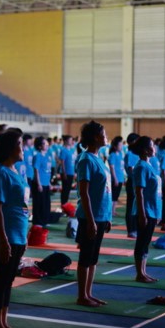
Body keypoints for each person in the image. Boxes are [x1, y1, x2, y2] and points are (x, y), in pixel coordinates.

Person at [0, 129, 28, 328]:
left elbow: (21, 206)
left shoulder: (14, 172)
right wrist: (3, 240)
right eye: (20, 144)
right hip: (5, 236)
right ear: (10, 148)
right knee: (2, 279)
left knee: (8, 280)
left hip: (17, 234)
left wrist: (23, 237)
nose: (23, 148)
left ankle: (4, 322)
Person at [75, 121, 111, 307]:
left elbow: (105, 189)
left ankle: (89, 293)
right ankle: (82, 295)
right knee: (86, 256)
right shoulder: (86, 160)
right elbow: (84, 193)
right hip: (90, 217)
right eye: (104, 134)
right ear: (96, 137)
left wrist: (107, 216)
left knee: (94, 258)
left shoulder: (99, 158)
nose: (106, 137)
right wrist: (90, 220)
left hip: (101, 215)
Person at [131, 136, 161, 283]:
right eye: (151, 146)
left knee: (146, 242)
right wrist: (142, 214)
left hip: (152, 210)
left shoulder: (149, 165)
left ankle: (143, 271)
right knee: (141, 242)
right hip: (145, 211)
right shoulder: (141, 167)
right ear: (144, 150)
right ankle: (139, 273)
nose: (153, 149)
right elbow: (139, 192)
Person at [32, 136, 51, 227]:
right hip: (40, 183)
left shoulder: (48, 156)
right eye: (44, 143)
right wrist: (38, 183)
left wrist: (49, 183)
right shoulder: (37, 156)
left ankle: (45, 220)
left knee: (46, 203)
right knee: (39, 203)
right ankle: (38, 221)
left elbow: (47, 171)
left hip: (46, 183)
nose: (47, 145)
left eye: (47, 143)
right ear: (39, 146)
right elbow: (36, 170)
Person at [124, 133, 140, 238]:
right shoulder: (130, 154)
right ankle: (131, 229)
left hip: (139, 182)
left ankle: (136, 227)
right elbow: (130, 169)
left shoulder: (138, 154)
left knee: (137, 206)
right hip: (132, 182)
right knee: (131, 206)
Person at [107, 136, 125, 217]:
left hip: (120, 178)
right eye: (120, 145)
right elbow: (112, 167)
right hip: (115, 178)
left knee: (116, 195)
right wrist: (115, 179)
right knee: (113, 195)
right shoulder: (112, 155)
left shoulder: (121, 154)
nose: (122, 146)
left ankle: (113, 210)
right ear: (115, 146)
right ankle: (110, 211)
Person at [58, 135, 77, 205]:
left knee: (68, 190)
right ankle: (63, 205)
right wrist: (64, 173)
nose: (72, 141)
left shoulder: (72, 151)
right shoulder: (63, 150)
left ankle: (65, 204)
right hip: (66, 173)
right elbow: (62, 162)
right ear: (66, 141)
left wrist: (74, 172)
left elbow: (73, 162)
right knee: (65, 190)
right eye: (70, 140)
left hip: (71, 172)